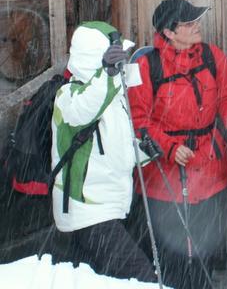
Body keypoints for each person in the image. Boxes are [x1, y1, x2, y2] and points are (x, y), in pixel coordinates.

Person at [128, 0, 227, 289]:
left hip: (210, 169)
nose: (197, 26)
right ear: (169, 32)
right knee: (171, 254)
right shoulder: (146, 66)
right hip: (164, 178)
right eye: (189, 23)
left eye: (197, 20)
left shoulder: (212, 56)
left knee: (205, 246)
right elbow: (137, 120)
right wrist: (168, 147)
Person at [51, 21, 156, 282]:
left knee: (100, 280)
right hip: (87, 210)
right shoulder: (68, 95)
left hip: (110, 206)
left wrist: (143, 152)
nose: (122, 64)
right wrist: (107, 73)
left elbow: (111, 152)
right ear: (94, 59)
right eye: (115, 58)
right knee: (140, 278)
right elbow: (84, 110)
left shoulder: (113, 99)